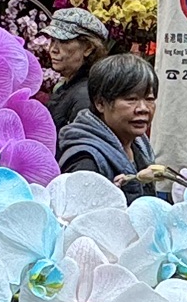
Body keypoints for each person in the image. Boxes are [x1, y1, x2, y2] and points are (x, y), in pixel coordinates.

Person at [56, 52, 160, 201]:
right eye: (131, 99)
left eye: (149, 98)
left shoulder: (140, 146)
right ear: (100, 103)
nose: (143, 108)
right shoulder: (86, 162)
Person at [43, 7, 111, 132]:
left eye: (64, 41)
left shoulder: (85, 96)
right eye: (52, 40)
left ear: (88, 48)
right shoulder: (70, 86)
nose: (53, 49)